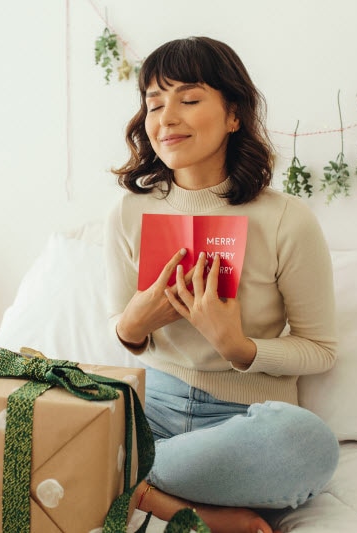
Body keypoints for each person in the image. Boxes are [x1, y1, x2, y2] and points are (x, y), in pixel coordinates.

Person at [104, 36, 340, 533]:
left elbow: (320, 349)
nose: (166, 118)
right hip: (156, 409)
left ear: (234, 114)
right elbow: (118, 327)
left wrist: (238, 346)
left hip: (246, 420)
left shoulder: (285, 219)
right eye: (154, 103)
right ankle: (188, 509)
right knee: (36, 418)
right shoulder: (129, 211)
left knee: (309, 443)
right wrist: (135, 323)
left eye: (189, 100)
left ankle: (126, 481)